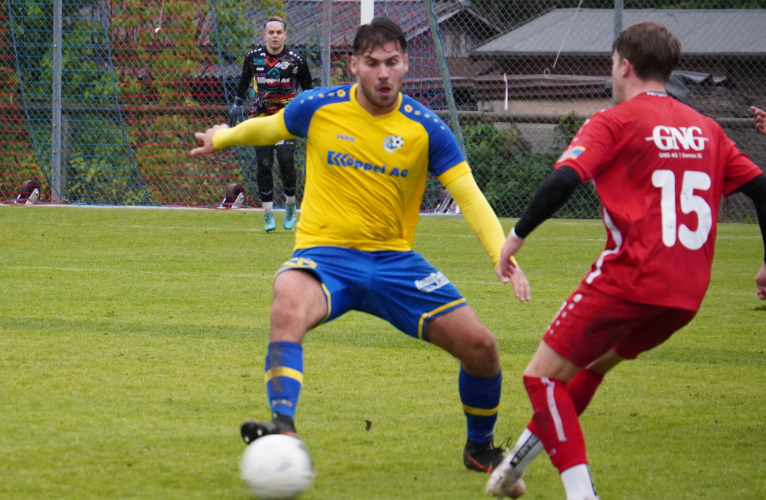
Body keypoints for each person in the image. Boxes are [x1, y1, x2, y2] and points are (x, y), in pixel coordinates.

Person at [192, 18, 531, 482]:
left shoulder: (426, 128)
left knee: (482, 348)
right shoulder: (318, 106)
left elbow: (468, 195)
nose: (383, 73)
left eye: (392, 62)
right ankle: (283, 427)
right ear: (353, 65)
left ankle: (479, 449)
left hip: (394, 263)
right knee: (287, 302)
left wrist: (500, 251)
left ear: (406, 65)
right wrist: (222, 136)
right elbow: (268, 128)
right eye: (372, 63)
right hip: (325, 256)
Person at [485, 22, 766, 500]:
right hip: (686, 294)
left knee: (540, 379)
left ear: (624, 65)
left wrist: (515, 237)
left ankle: (581, 494)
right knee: (589, 367)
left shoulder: (614, 120)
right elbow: (762, 190)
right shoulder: (709, 129)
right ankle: (513, 470)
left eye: (612, 63)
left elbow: (564, 181)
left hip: (629, 278)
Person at [230, 16, 313, 232]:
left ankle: (290, 207)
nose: (275, 36)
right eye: (271, 32)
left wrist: (309, 112)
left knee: (286, 161)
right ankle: (268, 214)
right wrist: (238, 103)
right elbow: (243, 81)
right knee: (264, 164)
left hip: (286, 118)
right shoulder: (253, 57)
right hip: (260, 118)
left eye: (279, 32)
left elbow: (309, 89)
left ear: (285, 35)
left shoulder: (296, 59)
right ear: (265, 34)